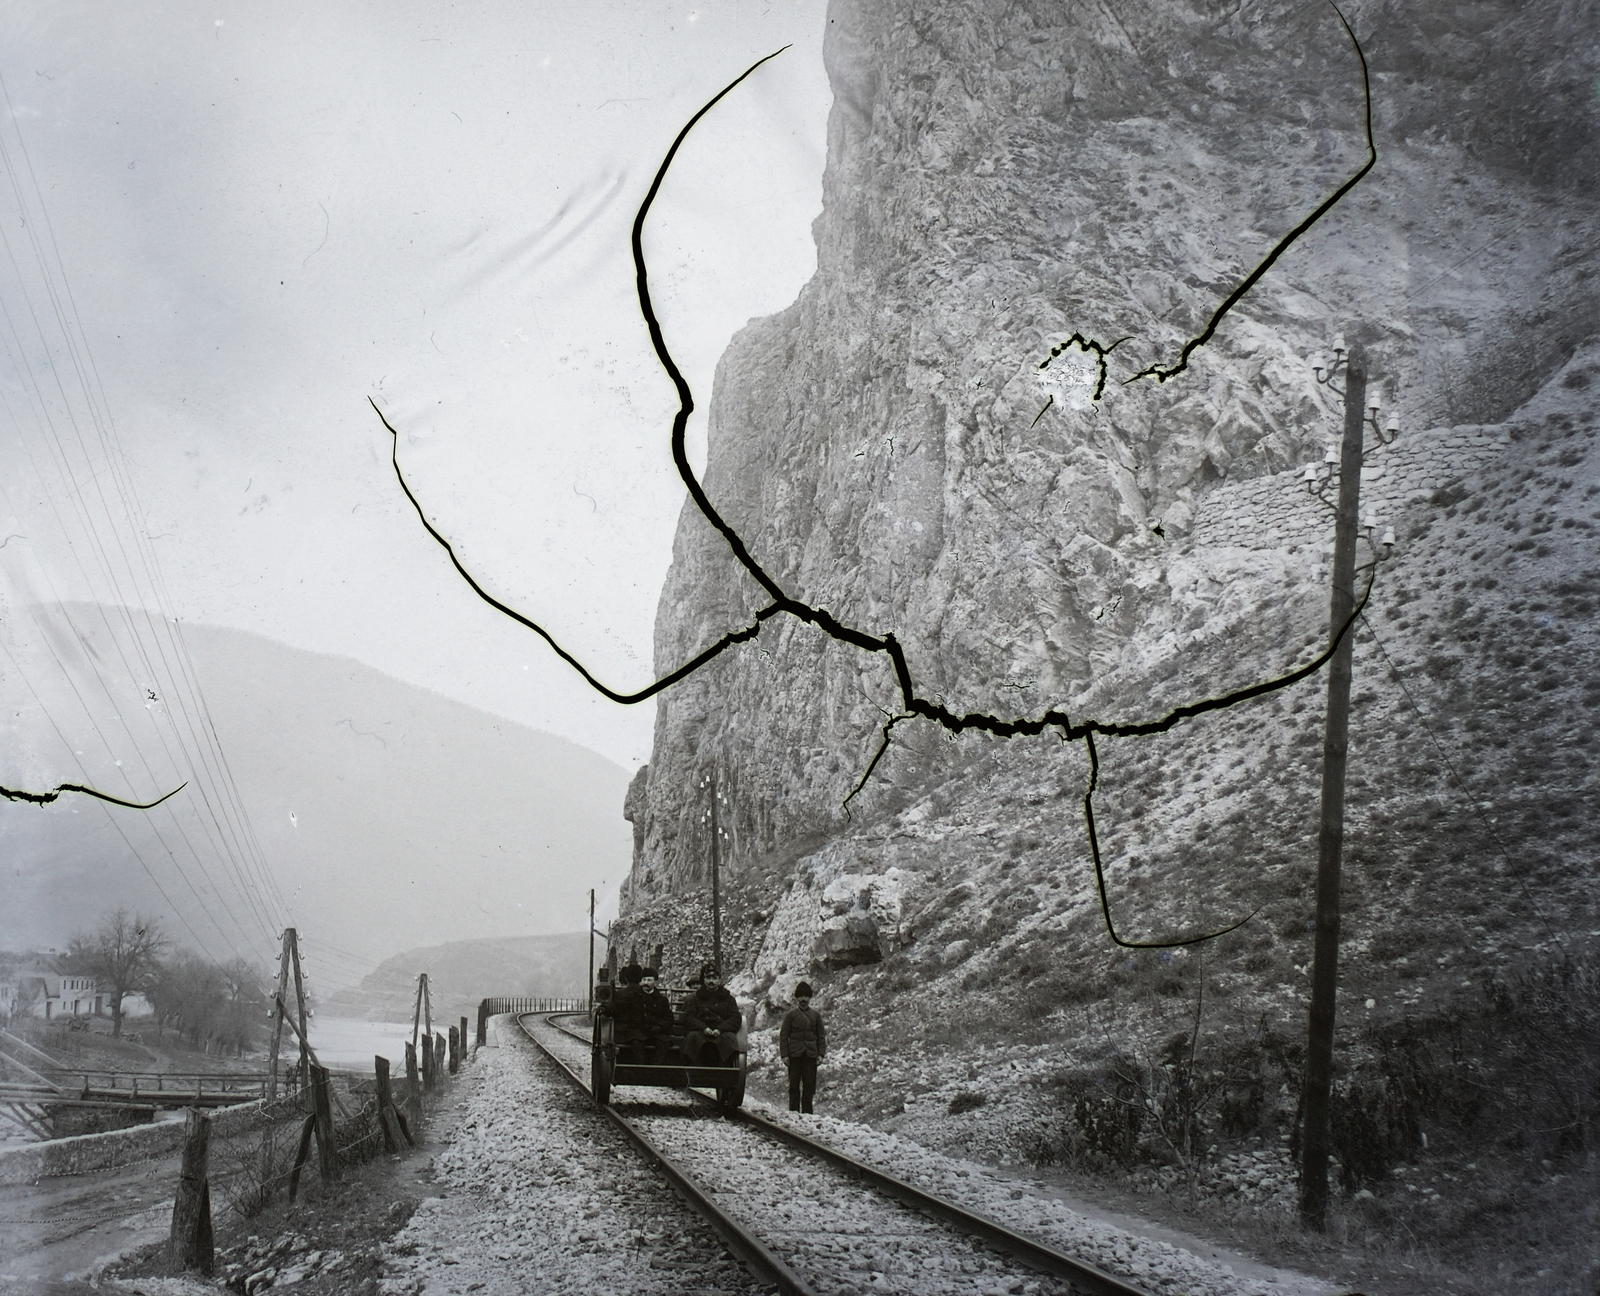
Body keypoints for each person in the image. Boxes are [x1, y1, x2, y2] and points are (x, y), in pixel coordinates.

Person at [778, 981, 825, 1113]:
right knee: (794, 1086)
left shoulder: (816, 1016)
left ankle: (808, 1115)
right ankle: (793, 1113)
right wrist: (785, 1055)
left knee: (809, 1086)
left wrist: (821, 1054)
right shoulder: (790, 1015)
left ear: (810, 998)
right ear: (797, 998)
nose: (803, 999)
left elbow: (821, 1036)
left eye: (806, 996)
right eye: (800, 996)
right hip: (794, 1056)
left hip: (810, 1056)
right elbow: (784, 1036)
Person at [682, 963, 742, 1066]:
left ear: (719, 980)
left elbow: (735, 1018)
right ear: (704, 980)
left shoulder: (728, 998)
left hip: (721, 1033)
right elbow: (688, 1017)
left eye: (714, 978)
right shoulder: (696, 998)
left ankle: (725, 1073)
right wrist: (703, 1028)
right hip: (701, 1032)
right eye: (708, 978)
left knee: (729, 1040)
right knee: (692, 1038)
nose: (711, 981)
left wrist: (720, 1029)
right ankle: (694, 1072)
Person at [615, 964, 674, 1064]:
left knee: (665, 1043)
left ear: (655, 982)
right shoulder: (633, 997)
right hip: (639, 1032)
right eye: (644, 980)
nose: (646, 983)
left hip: (656, 1032)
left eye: (649, 980)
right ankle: (640, 1070)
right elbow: (621, 1007)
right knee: (636, 1043)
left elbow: (669, 1018)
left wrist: (660, 1027)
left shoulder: (662, 999)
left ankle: (657, 1070)